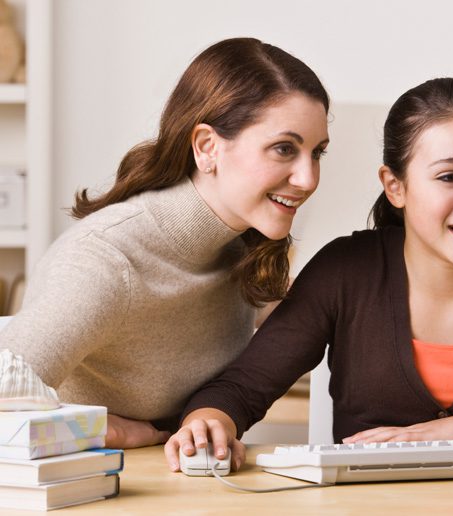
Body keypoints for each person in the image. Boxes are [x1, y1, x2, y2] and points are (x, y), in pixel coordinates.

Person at [164, 77, 453, 472]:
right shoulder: (346, 271)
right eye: (450, 176)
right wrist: (208, 423)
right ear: (395, 186)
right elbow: (242, 389)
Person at [0, 37, 329, 448]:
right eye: (284, 149)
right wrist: (99, 430)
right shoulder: (106, 260)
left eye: (317, 153)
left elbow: (313, 318)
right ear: (208, 147)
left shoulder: (239, 246)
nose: (309, 179)